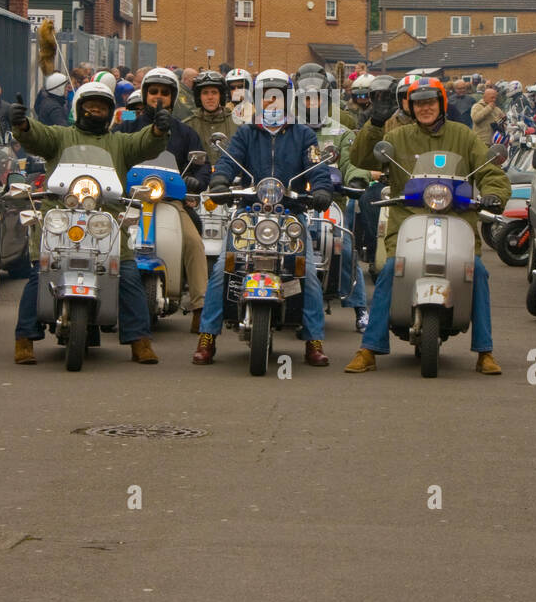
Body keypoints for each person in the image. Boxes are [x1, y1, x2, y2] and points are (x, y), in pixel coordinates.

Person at [343, 76, 510, 376]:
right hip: (408, 220)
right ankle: (368, 349)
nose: (425, 108)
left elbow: (489, 171)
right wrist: (375, 124)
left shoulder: (464, 135)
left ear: (442, 103)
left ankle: (485, 351)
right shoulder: (398, 137)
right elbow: (361, 157)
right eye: (418, 103)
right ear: (410, 106)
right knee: (390, 270)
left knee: (477, 271)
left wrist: (494, 195)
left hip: (457, 220)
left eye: (430, 102)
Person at [10, 81, 171, 365]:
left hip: (106, 222)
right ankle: (24, 339)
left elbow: (143, 143)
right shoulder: (60, 137)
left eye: (101, 107)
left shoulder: (119, 142)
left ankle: (140, 341)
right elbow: (37, 136)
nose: (95, 111)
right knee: (39, 274)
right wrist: (23, 124)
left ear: (109, 113)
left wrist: (158, 129)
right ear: (78, 108)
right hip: (60, 219)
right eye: (89, 105)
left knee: (129, 275)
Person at [192, 69, 333, 367]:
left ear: (289, 98)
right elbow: (229, 162)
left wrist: (321, 189)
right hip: (249, 212)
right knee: (221, 271)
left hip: (290, 214)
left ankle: (313, 340)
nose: (272, 102)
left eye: (279, 96)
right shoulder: (245, 132)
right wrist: (220, 182)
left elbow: (316, 167)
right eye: (267, 96)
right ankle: (207, 337)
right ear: (257, 99)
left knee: (306, 272)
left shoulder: (303, 133)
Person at [119, 67, 211, 331]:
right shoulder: (127, 126)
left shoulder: (184, 132)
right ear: (146, 93)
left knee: (194, 243)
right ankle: (98, 300)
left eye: (165, 93)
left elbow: (201, 163)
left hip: (170, 201)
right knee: (106, 240)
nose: (158, 97)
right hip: (130, 202)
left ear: (172, 97)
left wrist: (197, 179)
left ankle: (199, 307)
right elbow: (112, 154)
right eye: (154, 92)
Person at [295, 70, 371, 332]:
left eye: (317, 98)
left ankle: (360, 308)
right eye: (306, 98)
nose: (312, 103)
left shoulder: (341, 132)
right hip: (293, 201)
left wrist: (357, 179)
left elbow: (352, 163)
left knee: (345, 248)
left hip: (330, 203)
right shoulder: (287, 130)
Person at [184, 70, 237, 164]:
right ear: (199, 97)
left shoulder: (237, 124)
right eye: (205, 93)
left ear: (221, 96)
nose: (210, 97)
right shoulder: (187, 126)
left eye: (214, 92)